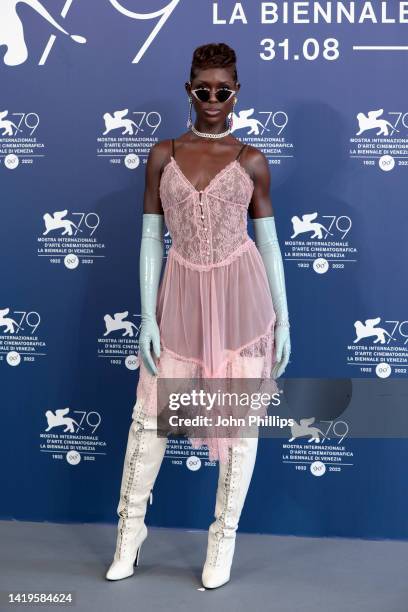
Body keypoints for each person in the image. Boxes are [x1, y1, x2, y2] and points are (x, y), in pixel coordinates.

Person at [106, 42, 291, 589]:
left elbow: (272, 245)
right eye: (204, 90)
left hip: (241, 299)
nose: (213, 99)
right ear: (189, 91)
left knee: (238, 428)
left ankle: (222, 542)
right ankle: (129, 535)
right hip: (180, 295)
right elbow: (148, 239)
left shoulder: (252, 159)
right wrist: (147, 316)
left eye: (224, 90)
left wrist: (284, 319)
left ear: (237, 92)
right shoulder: (162, 154)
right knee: (150, 421)